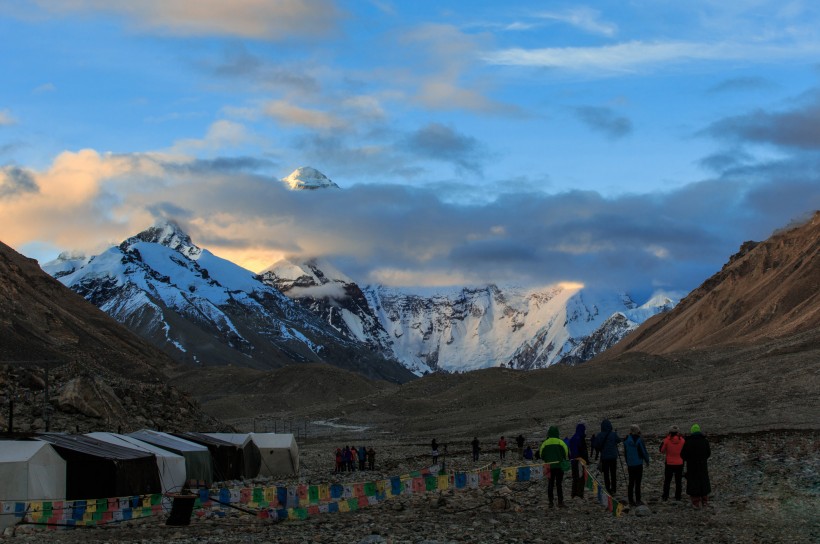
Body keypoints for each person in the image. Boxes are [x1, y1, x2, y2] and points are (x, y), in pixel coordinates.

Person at [681, 423, 711, 508]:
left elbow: (682, 455)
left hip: (692, 466)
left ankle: (695, 502)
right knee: (704, 482)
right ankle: (705, 501)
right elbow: (708, 453)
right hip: (703, 466)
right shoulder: (705, 441)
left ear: (692, 431)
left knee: (693, 483)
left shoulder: (688, 442)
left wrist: (689, 460)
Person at [539, 426, 569, 508]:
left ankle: (551, 502)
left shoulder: (545, 443)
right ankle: (560, 502)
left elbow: (541, 454)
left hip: (549, 467)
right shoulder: (560, 442)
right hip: (559, 466)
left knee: (550, 484)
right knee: (559, 484)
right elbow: (566, 453)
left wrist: (546, 459)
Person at [591, 419, 622, 495]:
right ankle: (614, 489)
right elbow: (619, 440)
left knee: (606, 474)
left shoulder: (600, 435)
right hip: (613, 457)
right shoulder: (613, 434)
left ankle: (608, 489)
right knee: (613, 473)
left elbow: (596, 445)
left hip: (604, 457)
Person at [623, 424, 650, 506]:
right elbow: (643, 451)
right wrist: (647, 460)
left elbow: (625, 452)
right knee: (638, 483)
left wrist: (627, 461)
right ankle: (638, 500)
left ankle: (631, 500)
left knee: (631, 482)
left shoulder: (626, 440)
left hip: (630, 464)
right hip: (638, 463)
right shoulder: (639, 440)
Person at [660, 425, 685, 501]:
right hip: (680, 463)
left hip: (669, 463)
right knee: (678, 481)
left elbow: (662, 450)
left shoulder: (666, 440)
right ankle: (678, 496)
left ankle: (665, 496)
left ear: (670, 432)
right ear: (678, 432)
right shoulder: (682, 440)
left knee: (667, 481)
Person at [568, 422, 589, 499]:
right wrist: (586, 460)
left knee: (575, 477)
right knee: (581, 477)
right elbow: (583, 450)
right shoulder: (580, 438)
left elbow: (570, 450)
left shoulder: (573, 438)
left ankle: (573, 493)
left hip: (573, 460)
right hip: (580, 460)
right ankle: (580, 494)